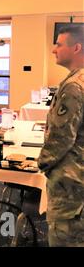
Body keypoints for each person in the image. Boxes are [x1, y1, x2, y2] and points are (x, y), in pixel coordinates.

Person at [37, 25, 84, 247]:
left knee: (65, 238)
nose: (54, 50)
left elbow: (62, 138)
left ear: (76, 48)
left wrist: (42, 163)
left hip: (70, 182)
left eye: (58, 44)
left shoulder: (74, 86)